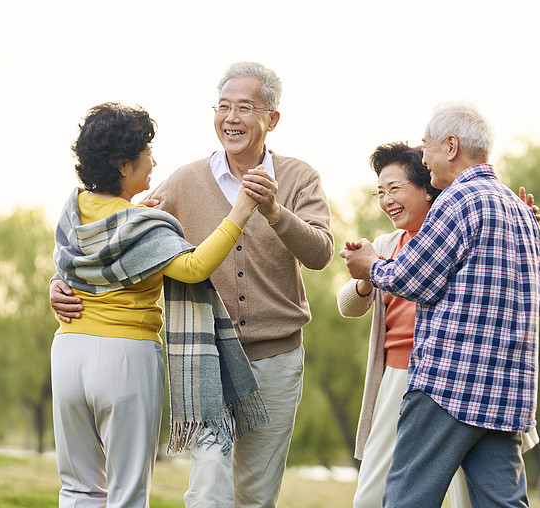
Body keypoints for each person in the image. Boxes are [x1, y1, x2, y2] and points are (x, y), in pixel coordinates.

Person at [52, 62, 335, 508]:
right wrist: (62, 279)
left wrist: (276, 213)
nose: (231, 118)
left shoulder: (299, 177)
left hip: (275, 357)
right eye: (223, 107)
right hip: (203, 355)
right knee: (207, 489)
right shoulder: (185, 180)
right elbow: (117, 232)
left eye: (245, 107)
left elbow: (320, 254)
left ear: (272, 119)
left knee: (255, 495)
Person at [341, 101, 540, 508]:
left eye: (427, 146)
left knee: (407, 498)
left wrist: (371, 266)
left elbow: (412, 278)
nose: (423, 157)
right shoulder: (520, 210)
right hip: (506, 393)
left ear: (451, 146)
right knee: (503, 503)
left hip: (449, 387)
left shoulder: (457, 201)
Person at [51, 102, 267, 508]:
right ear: (123, 165)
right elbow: (194, 266)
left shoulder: (73, 212)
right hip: (124, 356)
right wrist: (240, 211)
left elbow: (77, 263)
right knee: (127, 494)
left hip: (67, 352)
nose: (154, 162)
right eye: (147, 154)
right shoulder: (142, 225)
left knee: (77, 489)